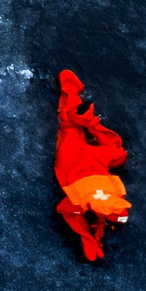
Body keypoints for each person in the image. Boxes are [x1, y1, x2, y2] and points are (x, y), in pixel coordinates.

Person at [54, 69, 131, 262]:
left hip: (85, 162)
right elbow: (66, 211)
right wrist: (87, 237)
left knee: (70, 129)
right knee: (70, 128)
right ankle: (75, 102)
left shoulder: (110, 205)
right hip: (80, 161)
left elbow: (68, 211)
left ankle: (78, 106)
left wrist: (92, 235)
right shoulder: (82, 201)